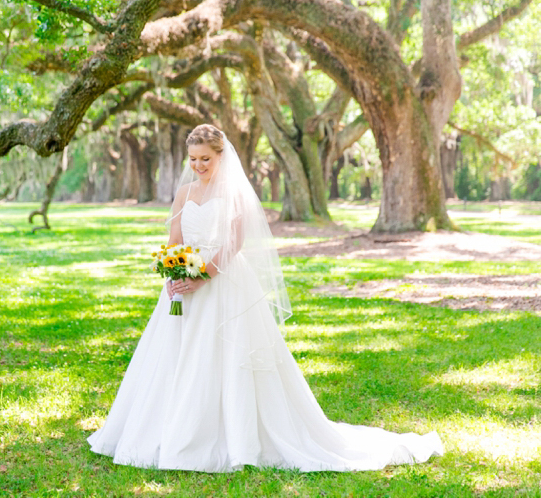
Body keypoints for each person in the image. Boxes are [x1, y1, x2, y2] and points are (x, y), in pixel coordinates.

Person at [87, 124, 444, 473]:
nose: (198, 166)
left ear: (220, 156)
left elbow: (233, 244)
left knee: (227, 357)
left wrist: (202, 277)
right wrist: (174, 271)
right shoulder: (184, 194)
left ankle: (236, 438)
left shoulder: (234, 194)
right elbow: (175, 237)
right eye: (193, 159)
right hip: (184, 287)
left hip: (223, 282)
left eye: (205, 159)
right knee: (175, 358)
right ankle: (171, 430)